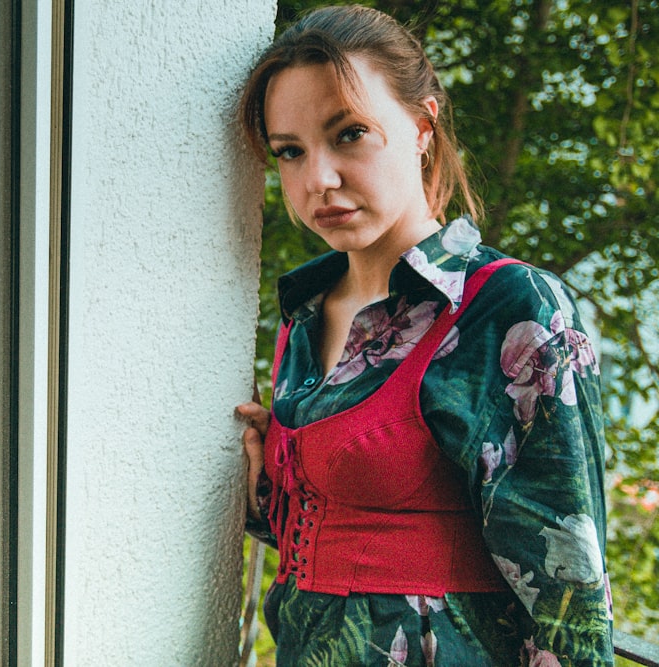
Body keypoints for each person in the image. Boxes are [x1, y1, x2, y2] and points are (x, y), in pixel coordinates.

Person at [235, 5, 613, 666]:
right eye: (290, 151)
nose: (317, 178)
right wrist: (268, 482)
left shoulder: (509, 306)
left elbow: (570, 595)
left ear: (422, 126)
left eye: (348, 133)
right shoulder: (303, 318)